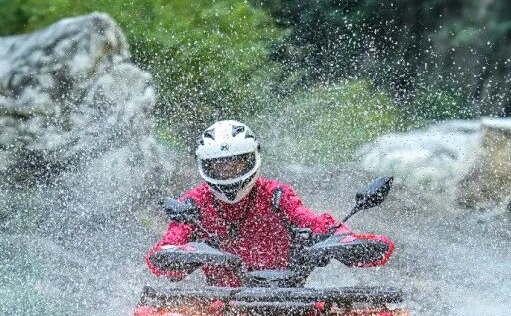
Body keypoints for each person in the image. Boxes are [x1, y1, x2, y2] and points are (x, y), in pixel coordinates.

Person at [147, 119, 394, 286]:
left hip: (291, 300)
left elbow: (316, 223)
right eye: (220, 167)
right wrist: (181, 255)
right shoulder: (194, 204)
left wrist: (346, 242)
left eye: (236, 164)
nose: (229, 173)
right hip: (220, 310)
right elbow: (167, 250)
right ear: (205, 167)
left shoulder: (277, 195)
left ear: (253, 159)